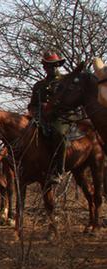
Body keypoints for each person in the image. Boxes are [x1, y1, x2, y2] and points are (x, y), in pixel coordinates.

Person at [28, 51, 80, 186]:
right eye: (48, 65)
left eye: (54, 65)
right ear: (44, 67)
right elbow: (32, 104)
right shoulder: (38, 85)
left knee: (59, 133)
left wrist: (54, 107)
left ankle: (59, 170)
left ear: (58, 65)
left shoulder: (66, 82)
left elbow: (72, 102)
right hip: (42, 117)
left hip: (62, 116)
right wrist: (34, 112)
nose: (52, 68)